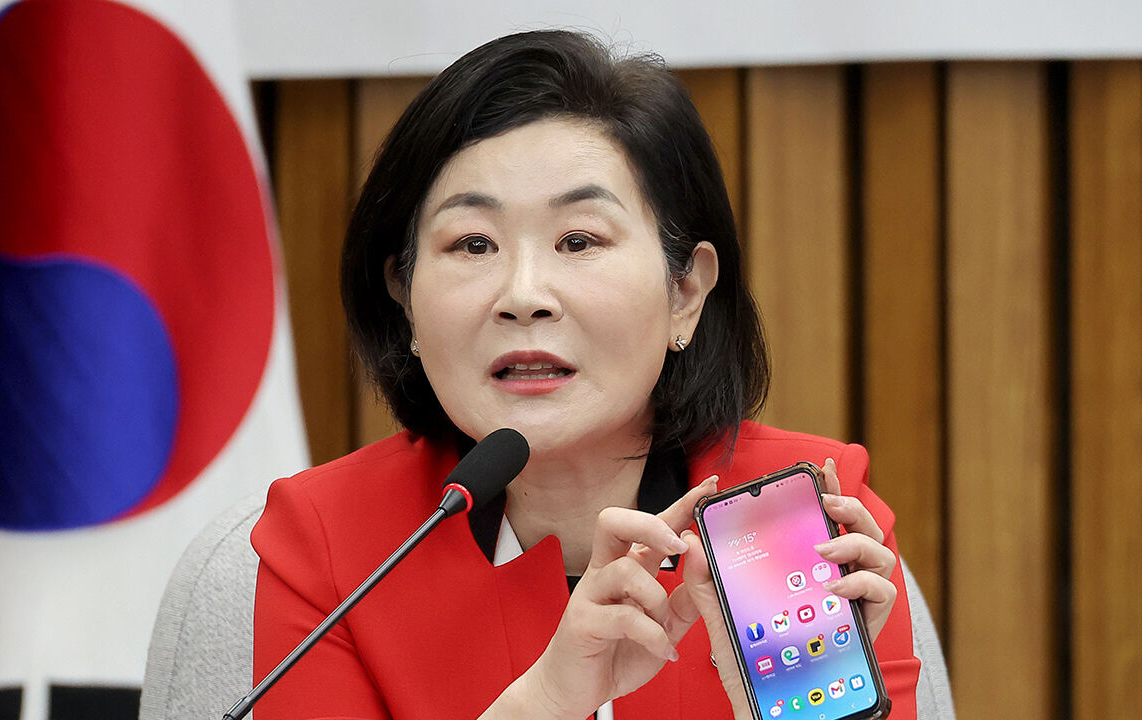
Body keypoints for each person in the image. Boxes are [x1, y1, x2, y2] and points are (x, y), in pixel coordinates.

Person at [252, 30, 920, 719]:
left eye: (578, 240)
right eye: (473, 244)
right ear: (405, 298)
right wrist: (546, 702)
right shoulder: (332, 544)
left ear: (685, 291)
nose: (523, 295)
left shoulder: (805, 522)